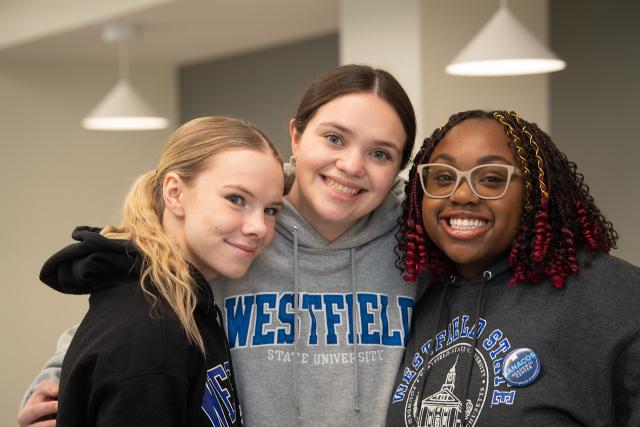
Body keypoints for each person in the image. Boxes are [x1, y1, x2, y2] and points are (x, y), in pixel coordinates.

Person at [19, 64, 419, 426]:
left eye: (380, 153)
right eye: (334, 138)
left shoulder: (417, 240)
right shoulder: (233, 232)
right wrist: (52, 390)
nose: (351, 165)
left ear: (398, 167)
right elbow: (128, 310)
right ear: (296, 137)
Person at [18, 116, 285, 427]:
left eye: (270, 210)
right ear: (174, 194)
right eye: (236, 199)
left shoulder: (179, 300)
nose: (258, 228)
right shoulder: (153, 333)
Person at [386, 110, 640, 426]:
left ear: (537, 193)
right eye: (443, 177)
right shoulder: (408, 297)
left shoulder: (615, 297)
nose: (462, 194)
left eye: (492, 179)